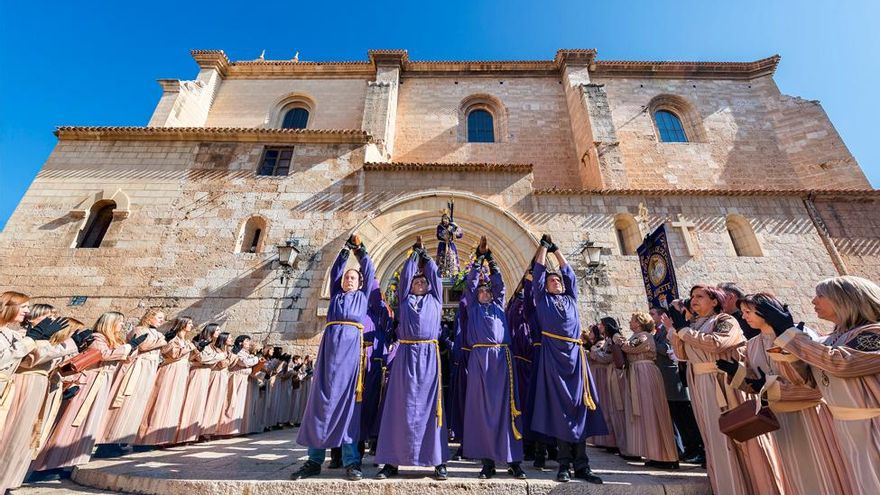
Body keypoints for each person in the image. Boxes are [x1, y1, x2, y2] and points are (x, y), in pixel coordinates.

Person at [716, 292, 851, 495]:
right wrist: (738, 374)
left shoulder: (800, 334)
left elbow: (813, 382)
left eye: (748, 311)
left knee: (823, 470)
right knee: (794, 474)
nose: (743, 317)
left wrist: (771, 385)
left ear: (766, 311)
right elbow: (756, 383)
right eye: (742, 312)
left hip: (809, 414)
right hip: (780, 418)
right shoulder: (752, 344)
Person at [762, 276, 880, 494]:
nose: (813, 301)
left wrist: (791, 334)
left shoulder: (874, 332)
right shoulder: (833, 338)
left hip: (874, 424)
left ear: (846, 299)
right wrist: (787, 342)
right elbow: (813, 381)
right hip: (846, 427)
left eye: (821, 296)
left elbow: (840, 363)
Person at [664, 285, 784, 495]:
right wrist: (676, 329)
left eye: (700, 296)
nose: (694, 300)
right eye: (692, 296)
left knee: (736, 435)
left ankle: (756, 486)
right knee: (713, 437)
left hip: (723, 383)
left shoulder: (725, 321)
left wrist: (685, 331)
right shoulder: (693, 324)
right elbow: (681, 354)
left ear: (715, 301)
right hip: (700, 383)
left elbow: (718, 344)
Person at [292, 234, 376, 481]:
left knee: (349, 405)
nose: (349, 280)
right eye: (347, 278)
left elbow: (368, 271)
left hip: (350, 358)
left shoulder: (362, 297)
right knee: (321, 403)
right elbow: (336, 271)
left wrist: (360, 251)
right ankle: (314, 460)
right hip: (329, 354)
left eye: (354, 278)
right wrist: (344, 251)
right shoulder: (337, 296)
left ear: (360, 284)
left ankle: (352, 462)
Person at [529, 234, 605, 483]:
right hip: (553, 358)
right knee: (560, 410)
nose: (556, 282)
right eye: (552, 281)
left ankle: (583, 465)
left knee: (580, 407)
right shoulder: (542, 300)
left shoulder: (571, 298)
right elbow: (538, 273)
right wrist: (542, 247)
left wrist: (557, 249)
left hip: (576, 358)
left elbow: (569, 274)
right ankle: (563, 464)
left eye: (558, 281)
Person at [374, 239, 449, 480]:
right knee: (399, 406)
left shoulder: (435, 300)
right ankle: (391, 461)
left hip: (428, 356)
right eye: (416, 281)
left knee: (431, 407)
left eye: (422, 281)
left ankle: (437, 461)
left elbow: (435, 277)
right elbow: (405, 278)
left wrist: (426, 259)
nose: (419, 282)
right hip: (406, 355)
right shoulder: (404, 300)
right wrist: (413, 256)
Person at [31, 312, 134, 474]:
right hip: (89, 381)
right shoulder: (97, 338)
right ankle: (50, 464)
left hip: (102, 383)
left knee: (88, 422)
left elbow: (123, 358)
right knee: (73, 420)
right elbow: (103, 354)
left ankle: (70, 460)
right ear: (110, 323)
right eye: (120, 322)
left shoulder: (113, 341)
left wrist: (129, 349)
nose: (122, 325)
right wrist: (128, 347)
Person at [461, 238, 526, 479]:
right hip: (479, 360)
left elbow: (499, 283)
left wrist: (490, 258)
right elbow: (469, 284)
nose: (485, 293)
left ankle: (513, 461)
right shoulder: (472, 308)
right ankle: (487, 463)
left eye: (488, 290)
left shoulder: (499, 305)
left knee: (508, 408)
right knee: (482, 410)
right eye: (481, 290)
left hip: (501, 359)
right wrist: (478, 260)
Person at [0, 297, 79, 489]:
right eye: (47, 317)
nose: (51, 322)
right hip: (23, 384)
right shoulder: (20, 335)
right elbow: (26, 360)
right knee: (12, 432)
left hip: (39, 384)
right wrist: (39, 339)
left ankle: (10, 481)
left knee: (26, 435)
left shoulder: (22, 335)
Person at [99, 308, 167, 452]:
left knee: (138, 403)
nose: (162, 320)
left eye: (163, 318)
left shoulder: (158, 333)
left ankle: (125, 438)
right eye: (159, 317)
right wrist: (161, 341)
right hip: (138, 367)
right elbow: (143, 345)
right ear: (150, 317)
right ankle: (110, 440)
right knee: (126, 401)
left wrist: (161, 339)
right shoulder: (139, 329)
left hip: (149, 369)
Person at [620, 312, 679, 469]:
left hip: (644, 372)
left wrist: (618, 341)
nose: (630, 322)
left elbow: (628, 348)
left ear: (639, 323)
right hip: (637, 372)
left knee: (652, 411)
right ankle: (654, 453)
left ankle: (666, 456)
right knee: (646, 414)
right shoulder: (637, 335)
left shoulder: (643, 336)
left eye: (632, 320)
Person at [649, 306, 704, 464]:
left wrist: (651, 341)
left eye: (653, 313)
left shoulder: (669, 330)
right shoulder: (658, 331)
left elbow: (667, 348)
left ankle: (696, 448)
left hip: (674, 378)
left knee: (685, 415)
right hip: (666, 379)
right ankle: (686, 448)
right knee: (676, 415)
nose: (650, 316)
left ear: (662, 316)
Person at [137, 316, 196, 446]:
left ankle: (165, 437)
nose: (192, 325)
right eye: (189, 323)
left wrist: (194, 348)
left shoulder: (185, 340)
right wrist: (190, 347)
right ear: (182, 324)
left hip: (181, 372)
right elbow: (172, 354)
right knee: (162, 401)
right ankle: (148, 438)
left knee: (174, 402)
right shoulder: (172, 338)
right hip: (170, 370)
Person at [175, 323, 223, 443]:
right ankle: (184, 434)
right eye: (217, 330)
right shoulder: (201, 342)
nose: (219, 332)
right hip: (198, 373)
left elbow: (210, 359)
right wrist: (219, 356)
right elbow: (202, 358)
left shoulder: (212, 346)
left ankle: (194, 433)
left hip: (206, 373)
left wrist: (215, 357)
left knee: (201, 404)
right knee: (193, 402)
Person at [217, 334, 260, 436]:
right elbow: (243, 362)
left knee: (240, 404)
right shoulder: (238, 352)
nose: (249, 344)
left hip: (243, 379)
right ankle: (226, 429)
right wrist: (256, 360)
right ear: (241, 343)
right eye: (246, 341)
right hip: (236, 378)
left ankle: (236, 429)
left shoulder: (246, 353)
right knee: (232, 402)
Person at [201, 331, 236, 438]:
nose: (231, 339)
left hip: (224, 376)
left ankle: (216, 429)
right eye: (229, 337)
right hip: (216, 375)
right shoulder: (216, 350)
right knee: (212, 401)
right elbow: (220, 364)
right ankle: (205, 430)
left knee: (221, 403)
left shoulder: (228, 352)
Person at [435, 210, 464, 277]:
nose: (445, 220)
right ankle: (440, 273)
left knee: (452, 259)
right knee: (442, 260)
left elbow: (460, 234)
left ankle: (454, 273)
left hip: (450, 245)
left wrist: (454, 229)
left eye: (446, 218)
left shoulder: (452, 225)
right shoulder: (440, 226)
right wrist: (447, 231)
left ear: (449, 219)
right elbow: (439, 235)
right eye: (443, 219)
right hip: (443, 245)